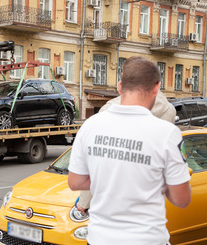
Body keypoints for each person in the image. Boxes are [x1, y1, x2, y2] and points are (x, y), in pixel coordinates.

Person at [68, 56, 191, 245]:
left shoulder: (91, 124)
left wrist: (107, 182)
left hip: (100, 239)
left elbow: (75, 181)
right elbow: (182, 199)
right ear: (156, 88)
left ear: (120, 86)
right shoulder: (168, 132)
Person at [76, 72, 176, 214]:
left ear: (122, 85)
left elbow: (96, 163)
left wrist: (84, 202)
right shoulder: (169, 110)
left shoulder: (109, 111)